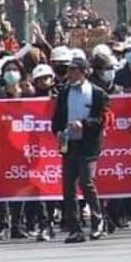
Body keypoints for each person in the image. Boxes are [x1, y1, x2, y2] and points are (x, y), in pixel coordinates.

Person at [52, 56, 108, 244]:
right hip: (69, 144)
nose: (71, 73)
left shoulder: (97, 93)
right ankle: (75, 227)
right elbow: (57, 118)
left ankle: (97, 220)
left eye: (75, 70)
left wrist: (83, 124)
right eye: (70, 70)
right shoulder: (64, 92)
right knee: (68, 186)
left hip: (88, 145)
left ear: (84, 71)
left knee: (86, 182)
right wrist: (59, 132)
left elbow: (101, 120)